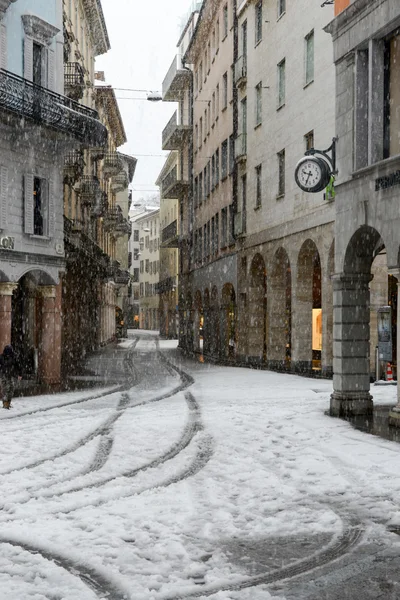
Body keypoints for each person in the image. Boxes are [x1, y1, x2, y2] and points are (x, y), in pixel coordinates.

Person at [0, 345, 21, 409]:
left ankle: (8, 402)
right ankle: (5, 403)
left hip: (10, 375)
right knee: (6, 389)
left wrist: (20, 374)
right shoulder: (1, 357)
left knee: (11, 389)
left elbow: (18, 366)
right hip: (3, 375)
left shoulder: (13, 357)